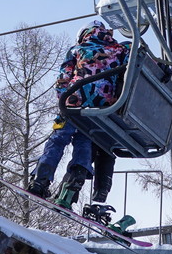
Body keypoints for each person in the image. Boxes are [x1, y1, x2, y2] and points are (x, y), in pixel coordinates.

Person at [29, 21, 129, 212]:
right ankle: (73, 185)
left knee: (58, 139)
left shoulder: (77, 49)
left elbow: (63, 77)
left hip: (75, 98)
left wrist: (63, 99)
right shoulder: (119, 49)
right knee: (85, 141)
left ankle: (40, 181)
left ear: (84, 34)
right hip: (102, 106)